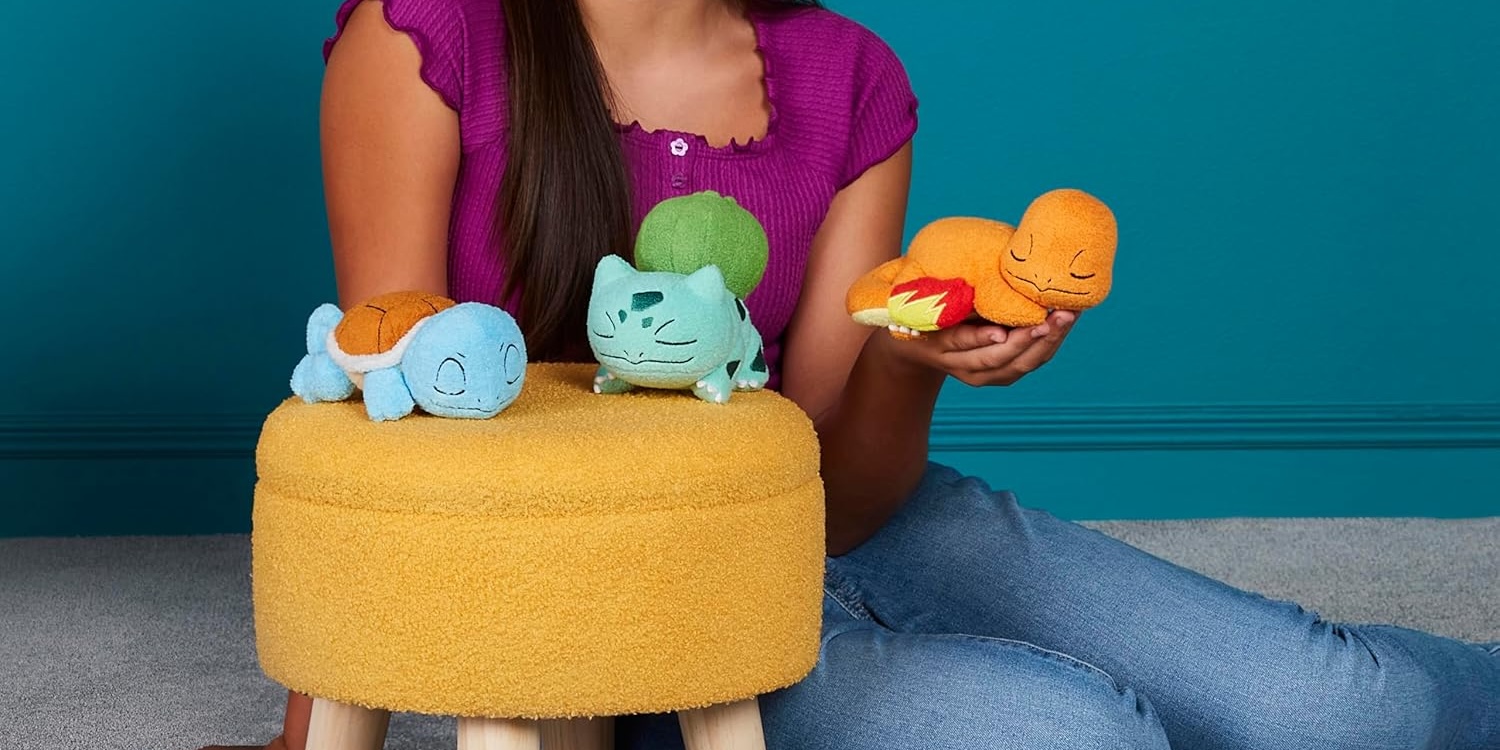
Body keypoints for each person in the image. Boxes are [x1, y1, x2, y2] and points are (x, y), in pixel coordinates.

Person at [206, 0, 1500, 748]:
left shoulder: (848, 77)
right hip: (634, 603)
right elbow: (376, 412)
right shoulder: (426, 36)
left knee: (1344, 707)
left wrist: (917, 353)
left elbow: (844, 489)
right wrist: (312, 716)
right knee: (1083, 733)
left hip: (817, 511)